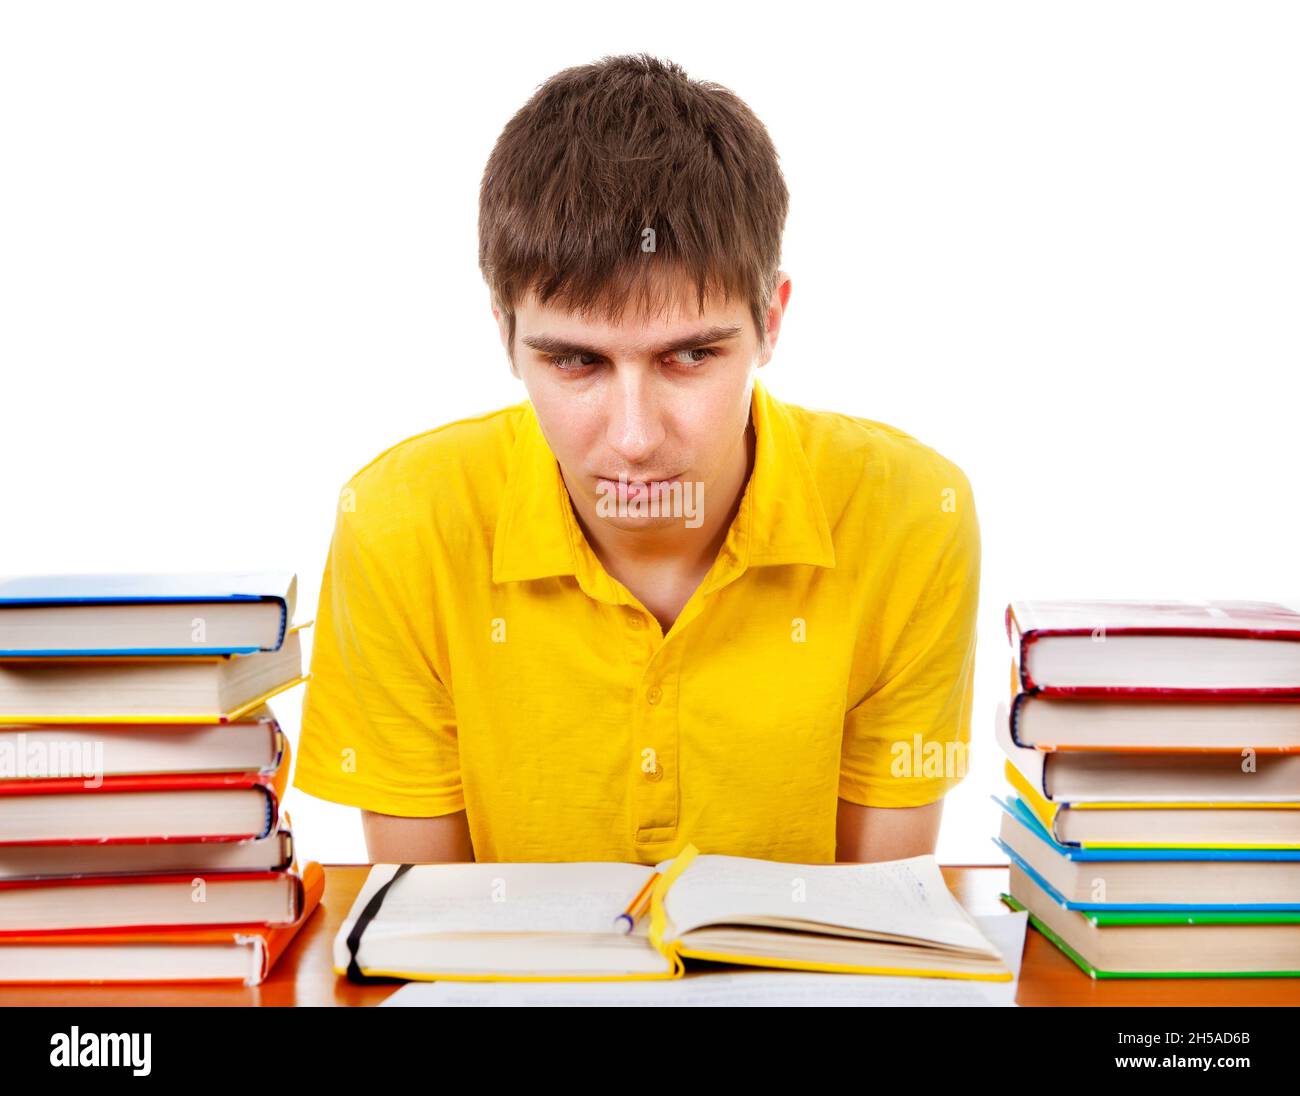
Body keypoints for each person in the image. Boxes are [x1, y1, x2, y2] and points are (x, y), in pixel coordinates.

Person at [292, 53, 980, 866]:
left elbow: (876, 925)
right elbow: (429, 932)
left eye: (689, 357)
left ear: (771, 320)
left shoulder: (908, 512)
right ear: (505, 334)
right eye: (577, 362)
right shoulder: (401, 523)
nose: (633, 437)